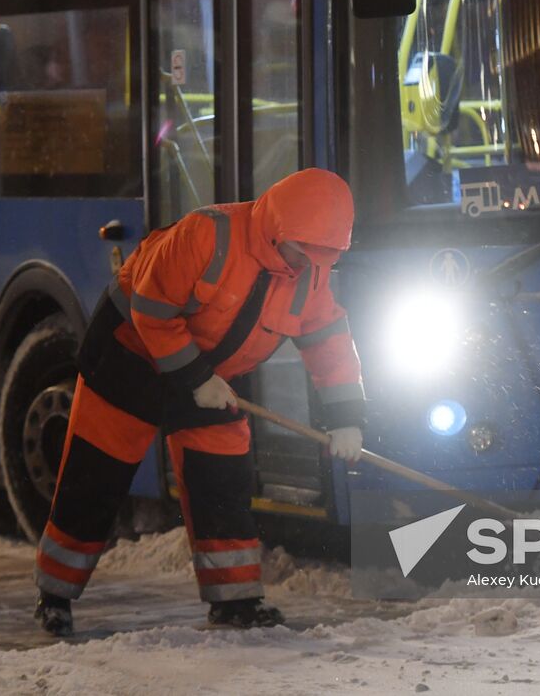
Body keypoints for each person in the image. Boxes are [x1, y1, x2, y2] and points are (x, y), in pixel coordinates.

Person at [34, 168, 366, 635]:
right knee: (95, 474)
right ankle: (54, 595)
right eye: (303, 251)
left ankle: (236, 603)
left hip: (212, 376)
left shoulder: (310, 274)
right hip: (129, 355)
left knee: (222, 480)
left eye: (322, 256)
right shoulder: (206, 234)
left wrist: (347, 417)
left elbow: (329, 342)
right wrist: (193, 376)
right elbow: (150, 308)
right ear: (278, 229)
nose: (308, 264)